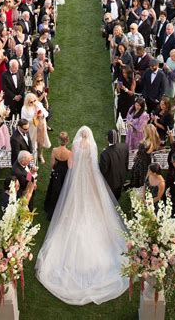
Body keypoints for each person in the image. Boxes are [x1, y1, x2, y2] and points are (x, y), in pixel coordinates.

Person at [36, 126, 128, 304]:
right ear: (90, 136)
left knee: (75, 198)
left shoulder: (76, 145)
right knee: (93, 199)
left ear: (79, 135)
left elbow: (74, 162)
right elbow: (93, 164)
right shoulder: (92, 146)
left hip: (78, 175)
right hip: (89, 173)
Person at [44, 132, 73, 220]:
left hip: (56, 172)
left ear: (59, 140)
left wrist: (53, 169)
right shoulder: (69, 153)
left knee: (53, 189)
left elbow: (52, 164)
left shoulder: (54, 150)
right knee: (62, 189)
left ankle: (50, 207)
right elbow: (70, 166)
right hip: (64, 173)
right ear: (67, 141)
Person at [99, 129, 129, 200]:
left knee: (110, 198)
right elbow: (126, 162)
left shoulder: (105, 154)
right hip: (121, 177)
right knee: (117, 195)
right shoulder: (124, 147)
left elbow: (104, 170)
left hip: (111, 181)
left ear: (107, 139)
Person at [21, 92, 51, 164]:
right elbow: (23, 120)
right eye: (31, 102)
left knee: (41, 141)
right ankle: (33, 158)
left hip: (41, 126)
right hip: (32, 128)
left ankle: (40, 155)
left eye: (34, 100)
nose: (33, 103)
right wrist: (33, 118)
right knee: (33, 143)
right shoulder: (24, 109)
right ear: (27, 102)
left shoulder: (39, 104)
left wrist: (42, 115)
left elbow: (46, 113)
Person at [130, 123, 160, 188]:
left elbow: (139, 153)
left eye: (145, 131)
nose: (143, 132)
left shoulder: (145, 143)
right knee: (144, 176)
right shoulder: (153, 141)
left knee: (139, 176)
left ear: (148, 132)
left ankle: (138, 188)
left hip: (141, 163)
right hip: (147, 161)